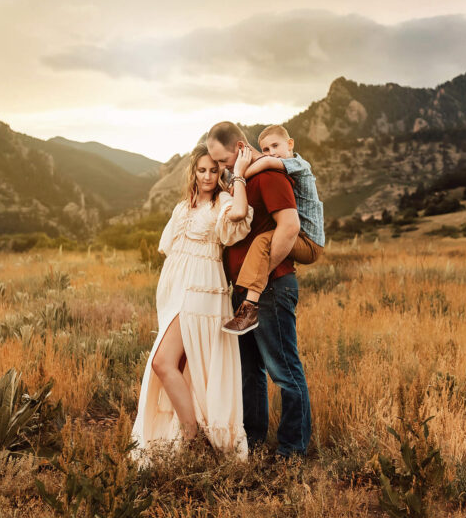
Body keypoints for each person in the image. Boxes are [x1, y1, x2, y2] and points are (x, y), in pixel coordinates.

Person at [130, 143, 254, 463]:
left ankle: (193, 437)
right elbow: (169, 251)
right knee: (179, 366)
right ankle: (189, 434)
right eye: (202, 170)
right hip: (176, 292)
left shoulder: (223, 202)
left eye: (214, 170)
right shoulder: (182, 206)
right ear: (193, 172)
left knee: (162, 362)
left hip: (201, 293)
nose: (208, 176)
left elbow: (240, 215)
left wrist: (237, 176)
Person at [206, 121, 313, 459]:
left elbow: (290, 226)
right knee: (250, 371)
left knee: (284, 370)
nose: (222, 169)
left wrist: (260, 278)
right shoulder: (242, 181)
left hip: (271, 288)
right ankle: (253, 441)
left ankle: (292, 450)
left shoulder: (268, 176)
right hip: (244, 293)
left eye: (224, 161)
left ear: (239, 148)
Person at [222, 124, 324, 335]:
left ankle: (250, 308)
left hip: (310, 241)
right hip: (300, 238)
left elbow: (265, 162)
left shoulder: (298, 164)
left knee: (263, 241)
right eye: (266, 149)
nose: (271, 152)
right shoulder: (280, 168)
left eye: (275, 146)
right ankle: (248, 306)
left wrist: (239, 176)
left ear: (290, 144)